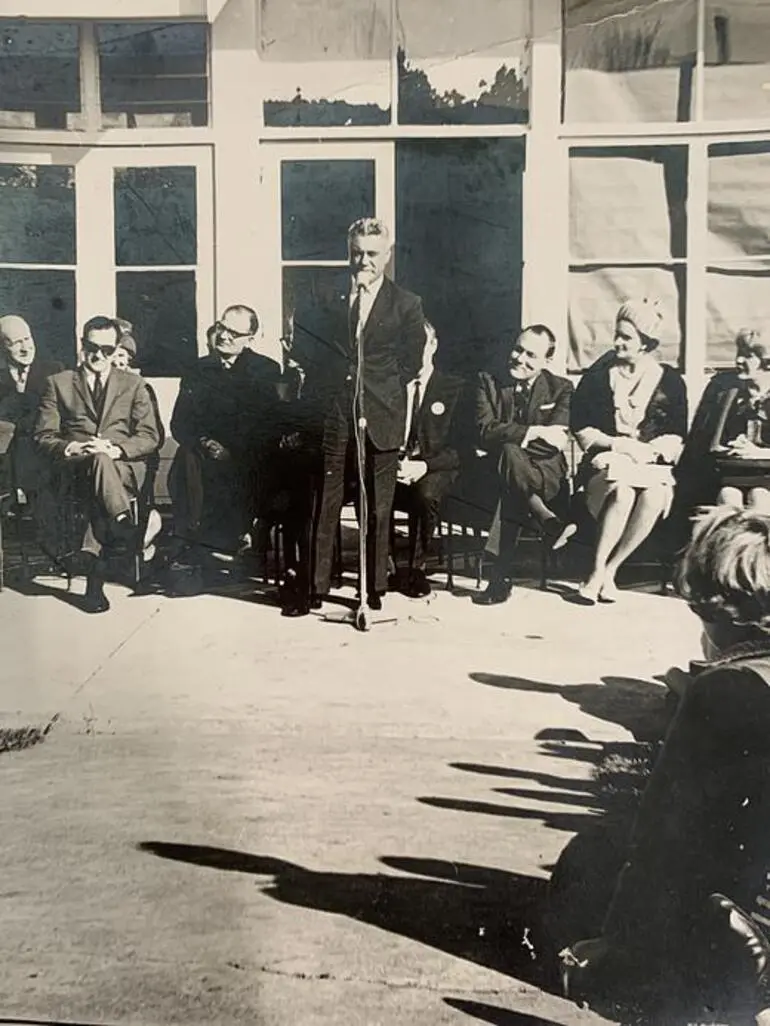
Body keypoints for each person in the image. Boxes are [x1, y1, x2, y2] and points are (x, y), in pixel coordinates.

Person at [560, 505, 770, 1026]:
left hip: (736, 902)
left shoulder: (724, 689)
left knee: (589, 859)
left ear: (709, 606)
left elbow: (663, 831)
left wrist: (618, 939)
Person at [292, 217, 425, 613]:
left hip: (381, 413)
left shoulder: (406, 303)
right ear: (348, 251)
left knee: (378, 505)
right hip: (334, 411)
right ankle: (315, 586)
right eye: (357, 252)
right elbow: (305, 346)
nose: (363, 261)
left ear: (386, 255)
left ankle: (374, 586)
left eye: (371, 254)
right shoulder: (324, 295)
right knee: (325, 499)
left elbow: (412, 361)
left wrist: (379, 387)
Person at [33, 316, 161, 613]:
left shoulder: (134, 384)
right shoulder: (59, 383)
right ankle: (124, 526)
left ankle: (94, 579)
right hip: (77, 467)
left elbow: (150, 436)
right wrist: (73, 446)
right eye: (92, 347)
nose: (98, 356)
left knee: (103, 463)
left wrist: (116, 449)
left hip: (123, 467)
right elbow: (43, 436)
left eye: (106, 349)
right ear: (82, 345)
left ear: (116, 348)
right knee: (98, 467)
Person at [566, 298, 687, 605]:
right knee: (622, 492)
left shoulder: (670, 381)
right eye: (617, 334)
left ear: (645, 344)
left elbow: (677, 433)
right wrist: (620, 444)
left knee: (655, 494)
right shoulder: (598, 376)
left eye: (627, 337)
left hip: (647, 465)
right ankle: (595, 573)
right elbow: (581, 427)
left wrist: (651, 450)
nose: (618, 342)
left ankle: (611, 569)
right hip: (604, 465)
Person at [168, 304, 282, 560]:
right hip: (205, 451)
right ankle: (192, 539)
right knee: (185, 459)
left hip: (248, 454)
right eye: (221, 327)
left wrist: (232, 450)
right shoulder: (197, 369)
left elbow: (267, 424)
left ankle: (239, 539)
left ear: (250, 339)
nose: (224, 336)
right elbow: (180, 421)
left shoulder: (265, 370)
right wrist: (206, 442)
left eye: (233, 332)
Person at [473, 324, 573, 606]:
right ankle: (545, 518)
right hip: (502, 474)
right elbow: (484, 430)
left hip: (545, 472)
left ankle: (499, 578)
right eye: (518, 349)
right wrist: (533, 432)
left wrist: (516, 436)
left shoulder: (561, 388)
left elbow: (553, 443)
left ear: (546, 361)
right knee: (509, 461)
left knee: (508, 453)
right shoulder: (488, 381)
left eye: (531, 355)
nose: (520, 358)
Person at [391, 321, 466, 598]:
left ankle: (416, 569)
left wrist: (424, 465)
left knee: (425, 494)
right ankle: (386, 566)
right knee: (371, 488)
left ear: (432, 346)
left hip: (434, 469)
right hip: (396, 465)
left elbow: (461, 448)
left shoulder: (454, 388)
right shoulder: (392, 387)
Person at [678, 329, 770, 515]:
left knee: (760, 500)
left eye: (748, 356)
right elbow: (699, 442)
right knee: (729, 501)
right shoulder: (723, 389)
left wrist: (759, 452)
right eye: (739, 353)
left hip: (766, 477)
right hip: (728, 476)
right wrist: (729, 448)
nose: (738, 361)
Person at [0, 314, 62, 499]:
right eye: (16, 343)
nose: (25, 348)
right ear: (2, 346)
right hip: (7, 463)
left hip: (44, 457)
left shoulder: (54, 371)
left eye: (27, 339)